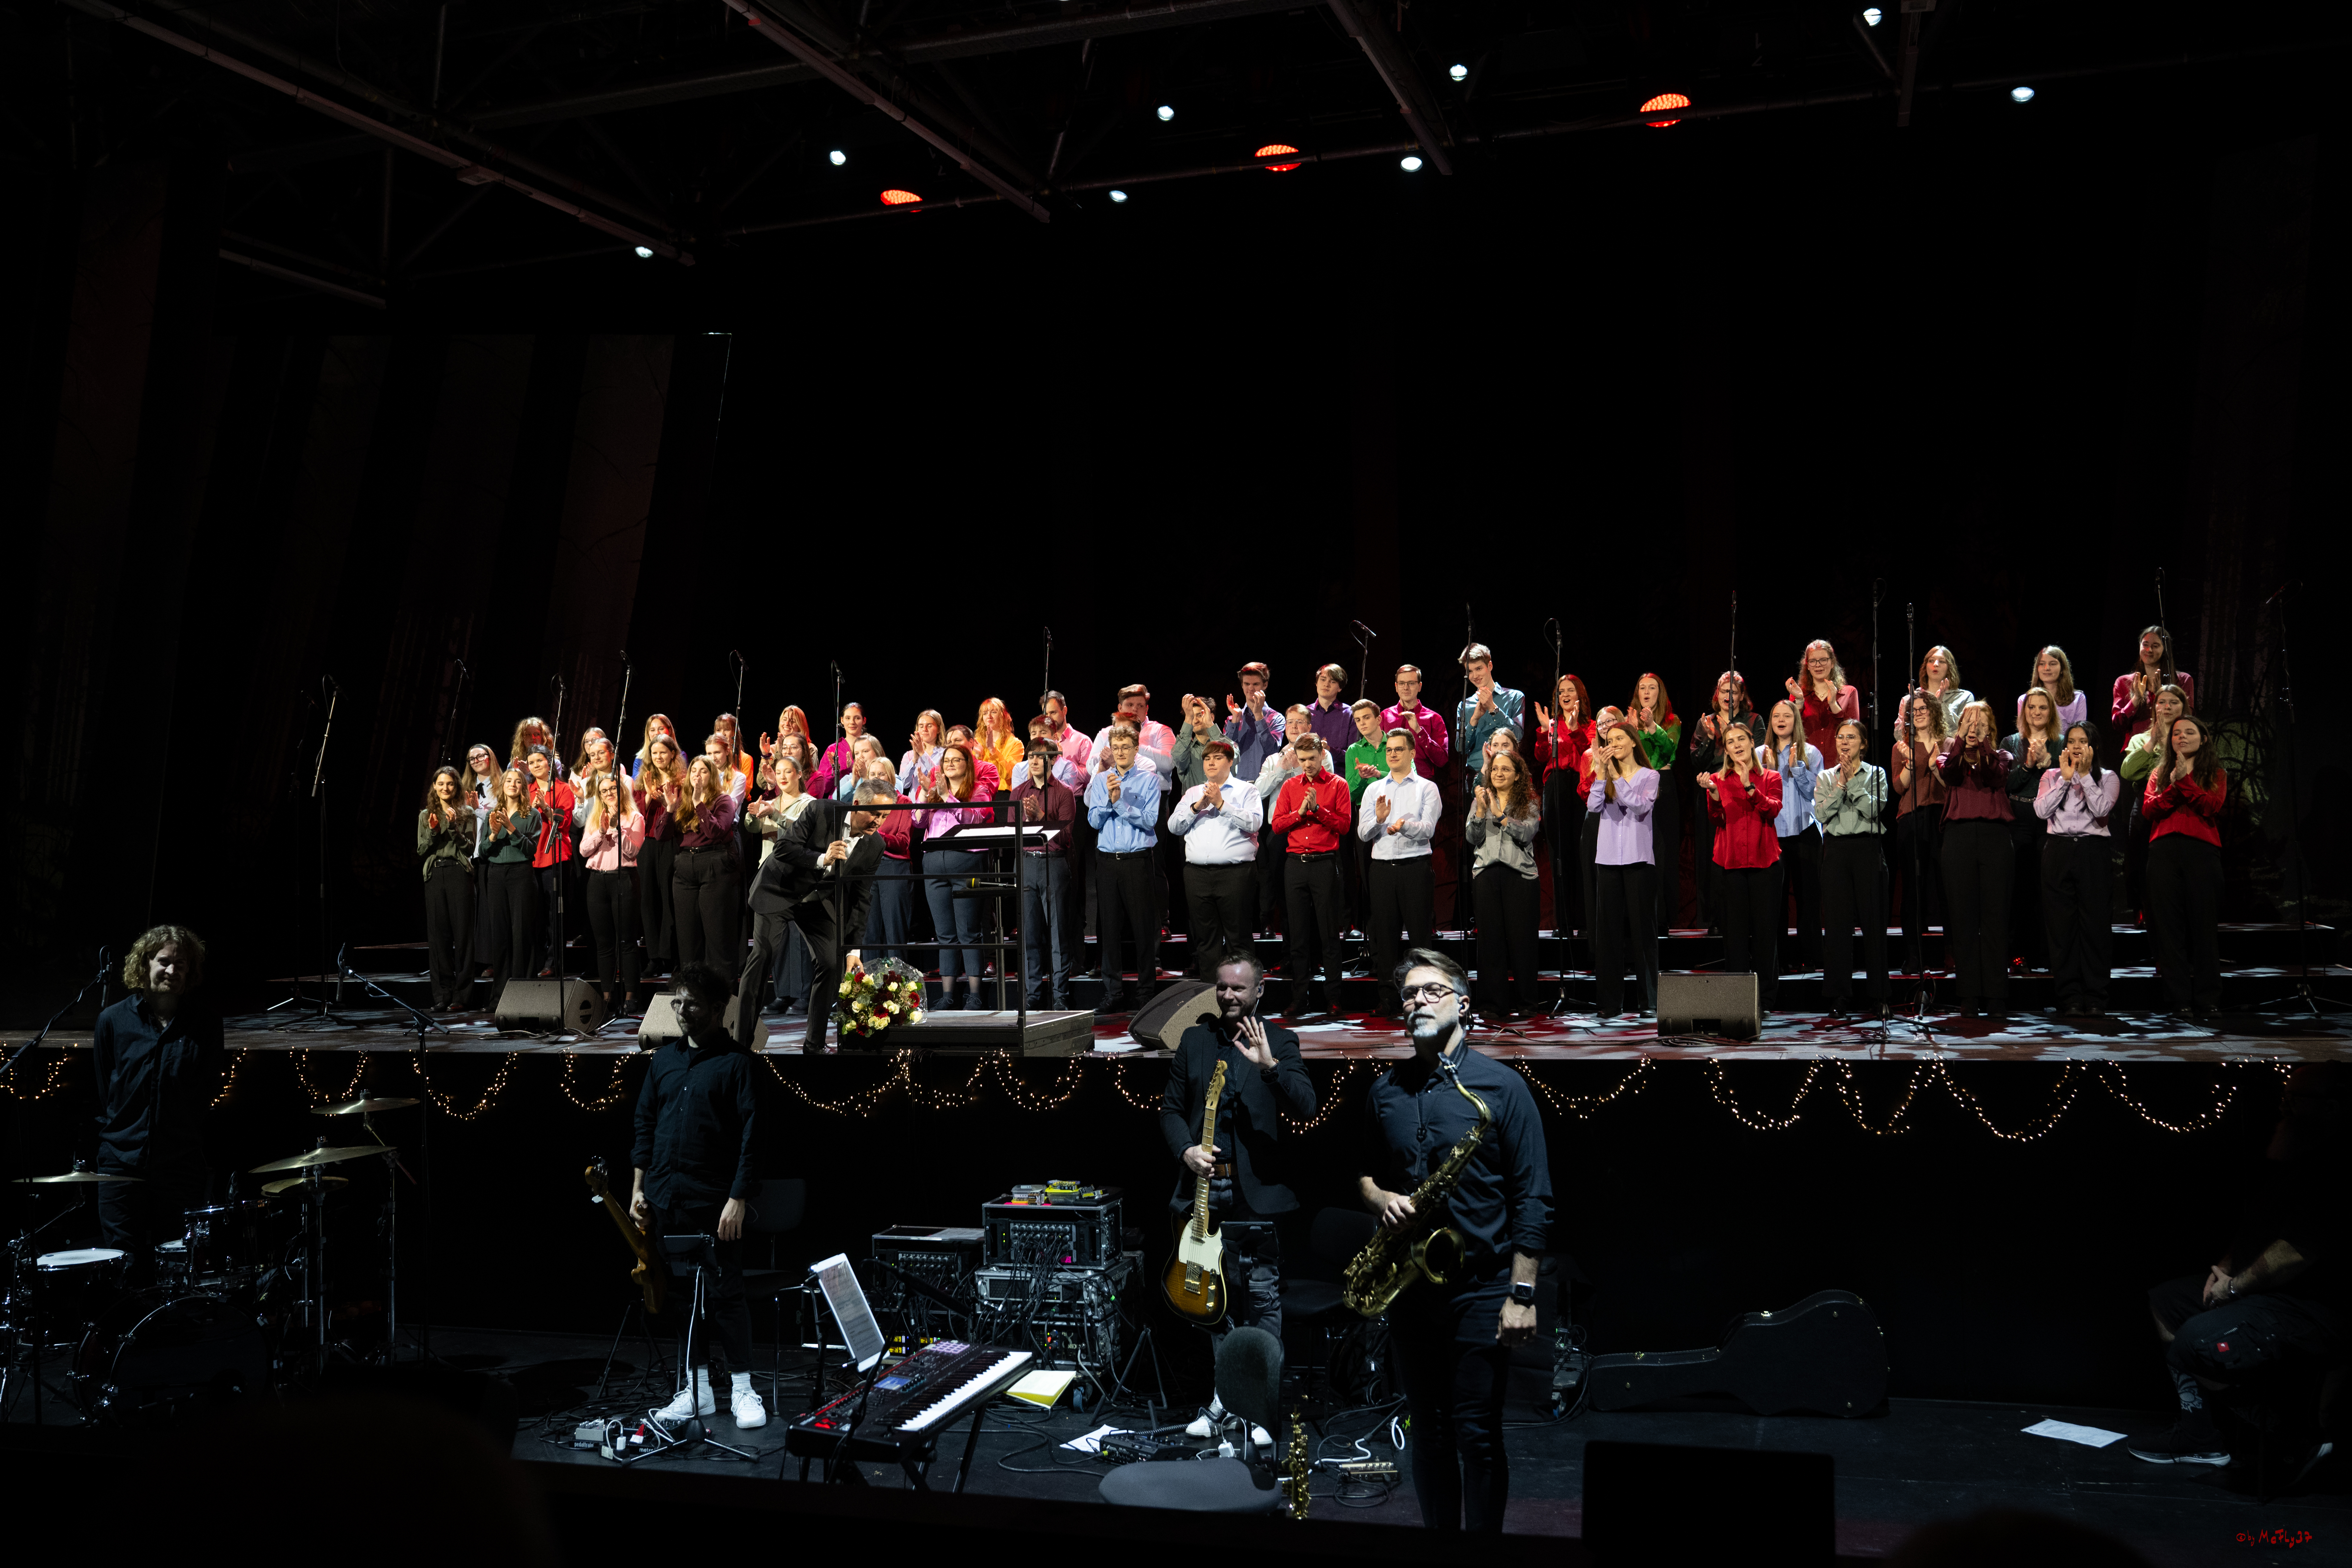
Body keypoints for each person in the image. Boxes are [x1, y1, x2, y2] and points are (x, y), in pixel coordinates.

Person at [1357, 948, 1551, 1533]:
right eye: (1409, 994)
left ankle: (1483, 1553)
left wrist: (1522, 1293)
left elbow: (1533, 1196)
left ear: (1463, 1004)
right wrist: (1378, 1198)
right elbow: (1364, 1174)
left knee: (1477, 1435)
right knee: (1430, 1433)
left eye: (1430, 991)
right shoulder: (1386, 1090)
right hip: (1411, 1291)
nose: (1416, 1001)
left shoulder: (1503, 1087)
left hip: (1480, 1288)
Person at [2123, 1064, 2345, 1491]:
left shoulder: (2337, 1164)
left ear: (2332, 1107)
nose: (2285, 1106)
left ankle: (2290, 1434)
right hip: (2272, 1291)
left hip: (2315, 1306)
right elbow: (2257, 1228)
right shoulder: (2296, 1155)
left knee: (2196, 1341)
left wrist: (2236, 1286)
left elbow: (2297, 1252)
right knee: (2168, 1301)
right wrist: (2224, 1269)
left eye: (2295, 1099)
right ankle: (2200, 1436)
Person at [1161, 953, 1316, 1445]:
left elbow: (1305, 1106)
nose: (1228, 997)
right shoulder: (1195, 1040)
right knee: (1214, 1306)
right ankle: (1225, 1403)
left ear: (1259, 990)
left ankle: (1260, 1408)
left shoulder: (1281, 1041)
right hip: (1204, 1199)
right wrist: (1186, 1150)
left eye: (1238, 989)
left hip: (1260, 1204)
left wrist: (1269, 1066)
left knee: (1262, 1302)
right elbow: (1169, 1110)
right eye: (1222, 988)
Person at [629, 961, 765, 1431]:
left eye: (692, 1003)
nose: (683, 1011)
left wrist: (739, 1198)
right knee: (685, 1299)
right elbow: (645, 1127)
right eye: (677, 1002)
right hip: (669, 1198)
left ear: (717, 1008)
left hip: (715, 1201)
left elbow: (754, 1138)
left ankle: (744, 1389)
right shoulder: (663, 1062)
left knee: (726, 1294)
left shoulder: (738, 1065)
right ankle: (698, 1390)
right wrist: (638, 1191)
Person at [92, 925, 222, 1274]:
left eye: (181, 964)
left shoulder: (206, 1024)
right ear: (145, 963)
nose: (172, 970)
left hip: (179, 1162)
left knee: (179, 1263)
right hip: (120, 1162)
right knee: (121, 1263)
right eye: (164, 961)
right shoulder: (113, 1021)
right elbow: (107, 1090)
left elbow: (205, 1091)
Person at [748, 781, 895, 1050]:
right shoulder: (821, 810)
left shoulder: (875, 845)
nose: (879, 822)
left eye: (886, 816)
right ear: (858, 805)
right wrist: (821, 859)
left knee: (832, 962)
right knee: (763, 956)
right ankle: (741, 1044)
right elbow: (783, 849)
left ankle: (814, 1044)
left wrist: (854, 949)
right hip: (780, 889)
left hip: (818, 902)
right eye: (876, 814)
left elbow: (862, 899)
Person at [1933, 701, 2016, 1021]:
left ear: (1990, 728)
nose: (1974, 726)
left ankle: (1996, 995)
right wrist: (1961, 745)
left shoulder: (2003, 755)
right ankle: (1967, 995)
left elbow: (1995, 778)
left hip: (1995, 837)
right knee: (1963, 918)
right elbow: (1950, 773)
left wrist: (1982, 747)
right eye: (1968, 720)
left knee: (1995, 918)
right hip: (1958, 837)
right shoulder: (1947, 754)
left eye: (1980, 721)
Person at [2144, 713, 2228, 1021]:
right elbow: (2149, 809)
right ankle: (2177, 998)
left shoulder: (2215, 773)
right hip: (2163, 851)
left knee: (2203, 927)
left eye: (2188, 732)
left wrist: (2186, 782)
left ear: (2203, 739)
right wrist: (2174, 785)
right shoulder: (2158, 772)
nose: (2180, 737)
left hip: (2201, 852)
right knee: (2168, 928)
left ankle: (2208, 998)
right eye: (2176, 733)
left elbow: (2211, 806)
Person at [2036, 722, 2121, 1019]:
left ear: (2092, 747)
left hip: (2091, 852)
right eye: (2071, 741)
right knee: (2062, 929)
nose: (2075, 747)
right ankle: (2069, 997)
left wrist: (2083, 777)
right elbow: (2040, 811)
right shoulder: (2050, 776)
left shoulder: (2107, 777)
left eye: (2082, 742)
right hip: (2058, 850)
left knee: (2095, 927)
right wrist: (2064, 780)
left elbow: (2101, 810)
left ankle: (2096, 997)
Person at [1700, 722, 1784, 1016]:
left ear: (1752, 743)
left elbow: (1772, 809)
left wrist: (1749, 785)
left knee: (1764, 935)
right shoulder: (1717, 779)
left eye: (1740, 739)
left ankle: (1765, 1002)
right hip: (1729, 863)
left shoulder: (1771, 777)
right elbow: (1717, 820)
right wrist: (1712, 796)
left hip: (1765, 863)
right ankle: (1737, 1001)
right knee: (1734, 936)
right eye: (1729, 741)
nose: (1735, 745)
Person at [1359, 729, 1441, 1016]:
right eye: (1389, 750)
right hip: (1382, 870)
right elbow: (1362, 832)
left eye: (1398, 749)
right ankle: (1388, 1001)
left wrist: (1402, 825)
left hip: (1415, 867)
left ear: (1411, 753)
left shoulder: (1427, 788)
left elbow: (1428, 829)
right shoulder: (1374, 789)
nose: (1392, 754)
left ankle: (1425, 1000)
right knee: (1385, 937)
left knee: (1420, 938)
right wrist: (1380, 820)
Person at [1813, 720, 1891, 1019]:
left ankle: (1879, 996)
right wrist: (1841, 785)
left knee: (1873, 924)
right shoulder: (1825, 777)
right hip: (1835, 850)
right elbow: (1820, 813)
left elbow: (1873, 810)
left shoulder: (1875, 774)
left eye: (1851, 738)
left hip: (1867, 849)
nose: (1844, 742)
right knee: (1836, 926)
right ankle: (1838, 996)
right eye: (1840, 738)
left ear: (1863, 744)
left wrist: (1853, 783)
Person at [1271, 734, 1352, 1019]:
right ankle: (1299, 998)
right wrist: (1300, 813)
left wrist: (1318, 810)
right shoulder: (1291, 786)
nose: (1307, 765)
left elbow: (1344, 826)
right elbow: (1278, 825)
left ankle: (1334, 1000)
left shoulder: (1338, 784)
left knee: (1329, 935)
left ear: (1322, 755)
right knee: (1299, 936)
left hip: (1324, 864)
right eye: (1302, 760)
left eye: (1312, 759)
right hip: (1295, 864)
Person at [1169, 738, 1261, 983]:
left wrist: (1221, 804)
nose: (1211, 762)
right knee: (1205, 938)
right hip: (1198, 875)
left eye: (1217, 758)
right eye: (1207, 758)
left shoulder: (1247, 790)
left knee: (1238, 937)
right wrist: (1197, 807)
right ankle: (1211, 997)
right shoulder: (1193, 793)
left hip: (1235, 874)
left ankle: (1243, 996)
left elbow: (1255, 823)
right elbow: (1174, 826)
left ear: (1230, 762)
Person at [1585, 716, 1659, 1018]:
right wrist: (1602, 776)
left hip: (1638, 860)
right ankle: (1610, 1002)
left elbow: (1640, 806)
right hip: (1607, 860)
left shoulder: (1649, 776)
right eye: (1609, 741)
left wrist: (1614, 774)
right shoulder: (1606, 776)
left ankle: (1649, 1002)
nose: (1612, 745)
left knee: (1643, 934)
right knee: (1609, 936)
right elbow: (1592, 807)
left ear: (1632, 742)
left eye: (1618, 740)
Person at [1085, 727, 1161, 1014]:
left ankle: (1145, 993)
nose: (1120, 752)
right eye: (1116, 747)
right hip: (1107, 862)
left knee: (1143, 929)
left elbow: (1151, 820)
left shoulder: (1149, 781)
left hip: (1137, 860)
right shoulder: (1102, 779)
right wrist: (1108, 801)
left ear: (1136, 748)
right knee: (1110, 931)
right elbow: (1093, 820)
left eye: (1125, 747)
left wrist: (1122, 803)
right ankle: (1113, 993)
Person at [917, 741, 996, 1012]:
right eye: (947, 760)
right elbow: (918, 822)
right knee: (945, 934)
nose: (950, 764)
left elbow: (973, 818)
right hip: (933, 863)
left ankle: (975, 994)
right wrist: (927, 796)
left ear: (968, 765)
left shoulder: (979, 790)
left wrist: (947, 796)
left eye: (956, 760)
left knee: (969, 933)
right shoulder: (935, 791)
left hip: (966, 862)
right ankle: (948, 995)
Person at [1467, 746, 1542, 1016]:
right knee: (1490, 942)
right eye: (1495, 769)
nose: (1498, 773)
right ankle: (1491, 1005)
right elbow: (1472, 838)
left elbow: (1527, 833)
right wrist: (1480, 812)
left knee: (1522, 941)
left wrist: (1500, 815)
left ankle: (1527, 1004)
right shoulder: (1482, 799)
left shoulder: (1529, 800)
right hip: (1487, 874)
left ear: (1518, 776)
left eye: (1505, 769)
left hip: (1519, 875)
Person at [1683, 672, 1759, 932]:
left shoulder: (1753, 720)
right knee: (1710, 857)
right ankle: (1713, 920)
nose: (1729, 696)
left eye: (1734, 692)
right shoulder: (1706, 723)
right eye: (1724, 691)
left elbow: (1757, 756)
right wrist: (1709, 738)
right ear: (1717, 696)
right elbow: (1696, 762)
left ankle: (1744, 919)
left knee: (1741, 852)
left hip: (1742, 791)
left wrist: (1728, 737)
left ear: (1741, 696)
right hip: (1712, 789)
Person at [1008, 740, 1078, 1008]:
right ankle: (1032, 997)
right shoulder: (1018, 793)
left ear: (1052, 761)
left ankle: (1060, 997)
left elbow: (1066, 838)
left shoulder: (1064, 792)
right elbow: (1011, 832)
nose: (1035, 760)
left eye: (1041, 756)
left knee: (1058, 935)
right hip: (1026, 864)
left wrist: (1041, 817)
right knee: (1029, 935)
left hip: (1054, 863)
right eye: (1031, 755)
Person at [2004, 688, 2068, 972]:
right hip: (2018, 817)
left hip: (2050, 820)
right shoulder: (2011, 742)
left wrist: (2050, 764)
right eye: (2032, 707)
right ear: (2025, 711)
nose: (2037, 712)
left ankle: (2048, 956)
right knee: (2019, 889)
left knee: (2047, 889)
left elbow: (2067, 783)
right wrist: (2030, 765)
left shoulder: (2062, 743)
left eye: (2043, 707)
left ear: (2051, 712)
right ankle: (2018, 955)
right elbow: (2007, 784)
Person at [2119, 682, 2192, 923]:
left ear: (2184, 707)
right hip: (2147, 804)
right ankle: (2145, 909)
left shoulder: (2192, 737)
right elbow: (2128, 772)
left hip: (2182, 804)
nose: (2168, 707)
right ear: (2154, 707)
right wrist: (2153, 741)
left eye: (2174, 702)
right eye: (2162, 702)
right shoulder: (2141, 739)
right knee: (2142, 861)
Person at [1891, 692, 1949, 985]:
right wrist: (1910, 765)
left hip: (1940, 816)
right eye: (1913, 710)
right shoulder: (1901, 747)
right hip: (1911, 818)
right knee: (1912, 889)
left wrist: (1934, 765)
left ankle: (1950, 952)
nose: (1919, 713)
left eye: (1924, 708)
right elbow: (1898, 788)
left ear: (1934, 711)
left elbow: (1950, 785)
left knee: (1945, 887)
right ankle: (1912, 955)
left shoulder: (1948, 745)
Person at [1531, 675, 1594, 939]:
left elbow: (1591, 751)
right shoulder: (1552, 725)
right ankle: (1564, 922)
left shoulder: (1591, 725)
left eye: (1570, 691)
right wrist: (1547, 731)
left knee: (1582, 853)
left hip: (1580, 787)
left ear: (1580, 695)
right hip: (1556, 785)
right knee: (1559, 854)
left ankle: (1586, 919)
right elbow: (1541, 756)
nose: (1565, 695)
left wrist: (1574, 728)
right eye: (1561, 692)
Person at [1763, 700, 1823, 973]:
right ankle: (1779, 960)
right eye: (1777, 715)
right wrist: (1766, 770)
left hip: (1804, 833)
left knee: (1807, 899)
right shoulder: (1760, 753)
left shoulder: (1811, 752)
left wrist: (1797, 767)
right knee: (1774, 902)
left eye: (1787, 715)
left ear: (1796, 720)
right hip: (1772, 834)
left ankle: (1810, 958)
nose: (1781, 719)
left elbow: (1815, 794)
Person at [580, 771, 646, 1014]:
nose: (609, 794)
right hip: (597, 882)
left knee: (626, 941)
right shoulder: (596, 816)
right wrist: (600, 832)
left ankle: (631, 995)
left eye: (613, 789)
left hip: (624, 880)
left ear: (622, 791)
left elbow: (632, 851)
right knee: (604, 943)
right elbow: (584, 850)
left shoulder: (635, 817)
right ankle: (607, 995)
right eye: (604, 790)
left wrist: (617, 830)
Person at [670, 755, 741, 971]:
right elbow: (662, 834)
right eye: (694, 771)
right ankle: (692, 991)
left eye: (703, 771)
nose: (697, 775)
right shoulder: (682, 801)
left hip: (714, 865)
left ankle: (724, 996)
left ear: (712, 776)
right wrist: (669, 809)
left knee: (718, 934)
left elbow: (715, 832)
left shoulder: (723, 800)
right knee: (688, 937)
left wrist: (700, 804)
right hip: (685, 867)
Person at [1252, 704, 1316, 940]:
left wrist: (1301, 766)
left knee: (1304, 889)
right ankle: (1272, 926)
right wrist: (1282, 769)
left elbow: (1326, 784)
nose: (1294, 727)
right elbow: (1258, 791)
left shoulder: (1321, 756)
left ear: (1309, 727)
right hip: (1278, 829)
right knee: (1275, 881)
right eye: (1290, 722)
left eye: (1300, 722)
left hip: (1310, 828)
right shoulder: (1274, 759)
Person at [419, 766, 477, 1014]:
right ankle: (442, 995)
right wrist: (433, 831)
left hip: (458, 873)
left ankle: (462, 995)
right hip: (435, 874)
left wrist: (453, 827)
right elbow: (422, 850)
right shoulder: (425, 815)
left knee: (463, 936)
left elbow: (470, 848)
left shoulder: (467, 813)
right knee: (438, 937)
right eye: (441, 784)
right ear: (434, 786)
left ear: (457, 787)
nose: (445, 788)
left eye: (450, 784)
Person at [1627, 674, 1682, 932]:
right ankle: (1641, 915)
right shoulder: (1631, 722)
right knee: (1640, 851)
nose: (1647, 692)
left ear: (1661, 693)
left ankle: (1663, 918)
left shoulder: (1672, 722)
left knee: (1664, 851)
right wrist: (1630, 731)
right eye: (1642, 688)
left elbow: (1670, 750)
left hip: (1664, 785)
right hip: (1637, 786)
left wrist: (1651, 727)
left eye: (1652, 688)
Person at [483, 767, 541, 989]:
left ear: (523, 788)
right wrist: (493, 833)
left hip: (521, 874)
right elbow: (484, 849)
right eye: (509, 781)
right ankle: (499, 993)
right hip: (497, 874)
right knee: (500, 933)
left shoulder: (532, 815)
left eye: (518, 782)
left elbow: (530, 850)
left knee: (522, 932)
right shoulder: (493, 813)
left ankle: (523, 990)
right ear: (503, 785)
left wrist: (511, 828)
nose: (513, 784)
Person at [522, 745, 578, 976]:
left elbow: (562, 823)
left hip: (555, 857)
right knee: (535, 914)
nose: (536, 766)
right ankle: (535, 961)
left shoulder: (563, 789)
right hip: (531, 858)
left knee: (555, 914)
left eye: (540, 761)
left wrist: (545, 807)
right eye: (532, 762)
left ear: (550, 763)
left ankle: (554, 962)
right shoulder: (526, 789)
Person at [635, 735, 688, 979]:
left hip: (671, 842)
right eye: (654, 753)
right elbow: (637, 813)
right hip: (648, 843)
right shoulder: (643, 781)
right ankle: (654, 956)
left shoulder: (682, 780)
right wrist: (648, 795)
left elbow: (683, 812)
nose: (658, 757)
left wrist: (668, 801)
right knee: (648, 899)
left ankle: (672, 955)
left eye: (663, 753)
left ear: (673, 754)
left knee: (670, 898)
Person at [857, 755, 917, 968]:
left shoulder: (903, 803)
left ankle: (900, 990)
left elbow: (903, 842)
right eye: (872, 774)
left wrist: (878, 835)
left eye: (881, 774)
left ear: (891, 777)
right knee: (869, 934)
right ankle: (872, 989)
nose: (877, 778)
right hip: (868, 869)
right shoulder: (864, 804)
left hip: (894, 867)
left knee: (895, 934)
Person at [2113, 625, 2195, 754]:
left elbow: (2187, 719)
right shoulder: (2124, 682)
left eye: (2156, 646)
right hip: (2137, 750)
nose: (2149, 650)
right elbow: (2118, 724)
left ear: (2165, 650)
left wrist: (2161, 696)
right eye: (2145, 644)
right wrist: (2136, 699)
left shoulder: (2183, 680)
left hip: (2171, 749)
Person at [1342, 699, 1387, 934]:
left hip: (1395, 811)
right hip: (1366, 814)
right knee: (1368, 874)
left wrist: (1379, 773)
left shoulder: (1395, 743)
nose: (1362, 724)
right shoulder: (1355, 751)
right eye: (1358, 720)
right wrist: (1363, 776)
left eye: (1367, 718)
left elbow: (1411, 773)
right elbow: (1350, 791)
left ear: (1378, 719)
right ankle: (1373, 933)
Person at [1453, 644, 1524, 787]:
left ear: (1490, 666)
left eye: (1479, 669)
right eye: (1470, 672)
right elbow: (1461, 749)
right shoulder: (1465, 706)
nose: (1475, 676)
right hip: (1476, 775)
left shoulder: (1515, 697)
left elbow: (1517, 736)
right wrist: (1474, 720)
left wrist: (1493, 708)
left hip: (1508, 773)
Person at [463, 741, 502, 985]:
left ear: (491, 757)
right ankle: (475, 959)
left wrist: (477, 810)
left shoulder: (500, 785)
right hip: (470, 854)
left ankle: (492, 960)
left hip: (492, 851)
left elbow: (496, 816)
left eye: (481, 756)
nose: (477, 761)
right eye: (472, 758)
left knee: (491, 909)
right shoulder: (466, 788)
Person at [1788, 639, 1860, 761]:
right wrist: (1800, 701)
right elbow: (1790, 730)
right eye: (1813, 661)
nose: (1818, 665)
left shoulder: (1849, 693)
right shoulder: (1798, 694)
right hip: (1807, 765)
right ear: (1807, 666)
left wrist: (1833, 705)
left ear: (1832, 663)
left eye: (1823, 660)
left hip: (1840, 764)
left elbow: (1855, 733)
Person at [1381, 664, 1451, 781]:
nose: (1406, 688)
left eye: (1411, 683)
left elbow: (1442, 760)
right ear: (1396, 687)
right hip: (1391, 782)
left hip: (1423, 783)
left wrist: (1419, 731)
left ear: (1420, 686)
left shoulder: (1434, 718)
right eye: (1402, 683)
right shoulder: (1385, 716)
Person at [1893, 646, 1972, 740]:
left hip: (1950, 752)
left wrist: (1939, 705)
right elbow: (1899, 737)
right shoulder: (1909, 699)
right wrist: (1912, 707)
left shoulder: (1964, 697)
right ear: (1925, 667)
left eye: (1942, 661)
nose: (1936, 664)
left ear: (1950, 667)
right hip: (1919, 753)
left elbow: (1961, 733)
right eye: (1931, 661)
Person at [1223, 663, 1285, 781]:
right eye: (1247, 684)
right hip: (1237, 787)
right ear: (1242, 685)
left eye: (1256, 684)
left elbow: (1272, 751)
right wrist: (1236, 720)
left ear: (1265, 685)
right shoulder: (1233, 719)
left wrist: (1259, 716)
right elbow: (1225, 753)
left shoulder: (1277, 718)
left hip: (1264, 788)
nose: (1251, 688)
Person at [2018, 645, 2089, 734]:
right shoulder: (2024, 700)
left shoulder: (2078, 699)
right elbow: (2024, 735)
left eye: (2053, 664)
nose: (2047, 668)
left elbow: (2078, 735)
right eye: (2042, 664)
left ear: (2063, 669)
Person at [810, 702, 870, 800]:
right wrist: (835, 770)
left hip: (864, 801)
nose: (852, 722)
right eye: (848, 718)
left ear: (864, 721)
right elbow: (824, 788)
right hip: (839, 804)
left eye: (857, 718)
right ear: (842, 720)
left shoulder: (870, 747)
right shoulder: (834, 749)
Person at [973, 697, 1026, 786]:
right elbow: (972, 775)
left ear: (1002, 716)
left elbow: (1008, 774)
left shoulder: (1016, 744)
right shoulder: (978, 742)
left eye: (993, 712)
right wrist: (978, 756)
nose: (989, 717)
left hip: (1003, 793)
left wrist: (993, 750)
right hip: (982, 791)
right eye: (985, 714)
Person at [631, 713, 675, 779]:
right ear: (648, 734)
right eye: (652, 730)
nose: (657, 733)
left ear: (670, 731)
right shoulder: (640, 759)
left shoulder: (680, 756)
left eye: (661, 729)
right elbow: (636, 785)